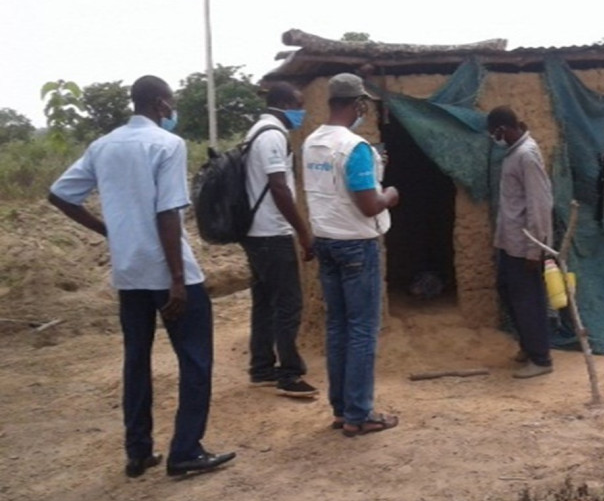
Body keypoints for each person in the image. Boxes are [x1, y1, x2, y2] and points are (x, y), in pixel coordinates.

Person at [48, 75, 235, 477]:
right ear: (160, 104)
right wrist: (178, 280)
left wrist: (109, 231)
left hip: (128, 270)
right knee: (195, 361)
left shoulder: (103, 146)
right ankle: (185, 451)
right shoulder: (167, 145)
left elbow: (60, 195)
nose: (172, 110)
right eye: (170, 103)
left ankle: (138, 451)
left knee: (136, 360)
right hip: (167, 271)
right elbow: (167, 212)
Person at [302, 73, 400, 436]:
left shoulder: (312, 143)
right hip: (356, 246)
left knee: (338, 327)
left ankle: (343, 410)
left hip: (325, 242)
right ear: (358, 104)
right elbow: (369, 204)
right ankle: (360, 414)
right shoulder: (354, 147)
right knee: (362, 331)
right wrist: (389, 193)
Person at [240, 82, 317, 397]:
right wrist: (302, 230)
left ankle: (261, 368)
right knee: (288, 303)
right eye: (299, 104)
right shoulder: (272, 135)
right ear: (285, 103)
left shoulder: (255, 131)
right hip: (272, 232)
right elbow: (279, 187)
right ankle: (289, 374)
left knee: (264, 302)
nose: (302, 111)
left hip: (255, 233)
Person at [487, 106, 555, 379]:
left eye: (495, 133)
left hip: (525, 245)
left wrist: (535, 249)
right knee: (510, 294)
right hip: (510, 242)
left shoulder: (527, 155)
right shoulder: (514, 153)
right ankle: (528, 346)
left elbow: (540, 204)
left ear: (503, 129)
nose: (494, 139)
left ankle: (541, 358)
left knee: (529, 301)